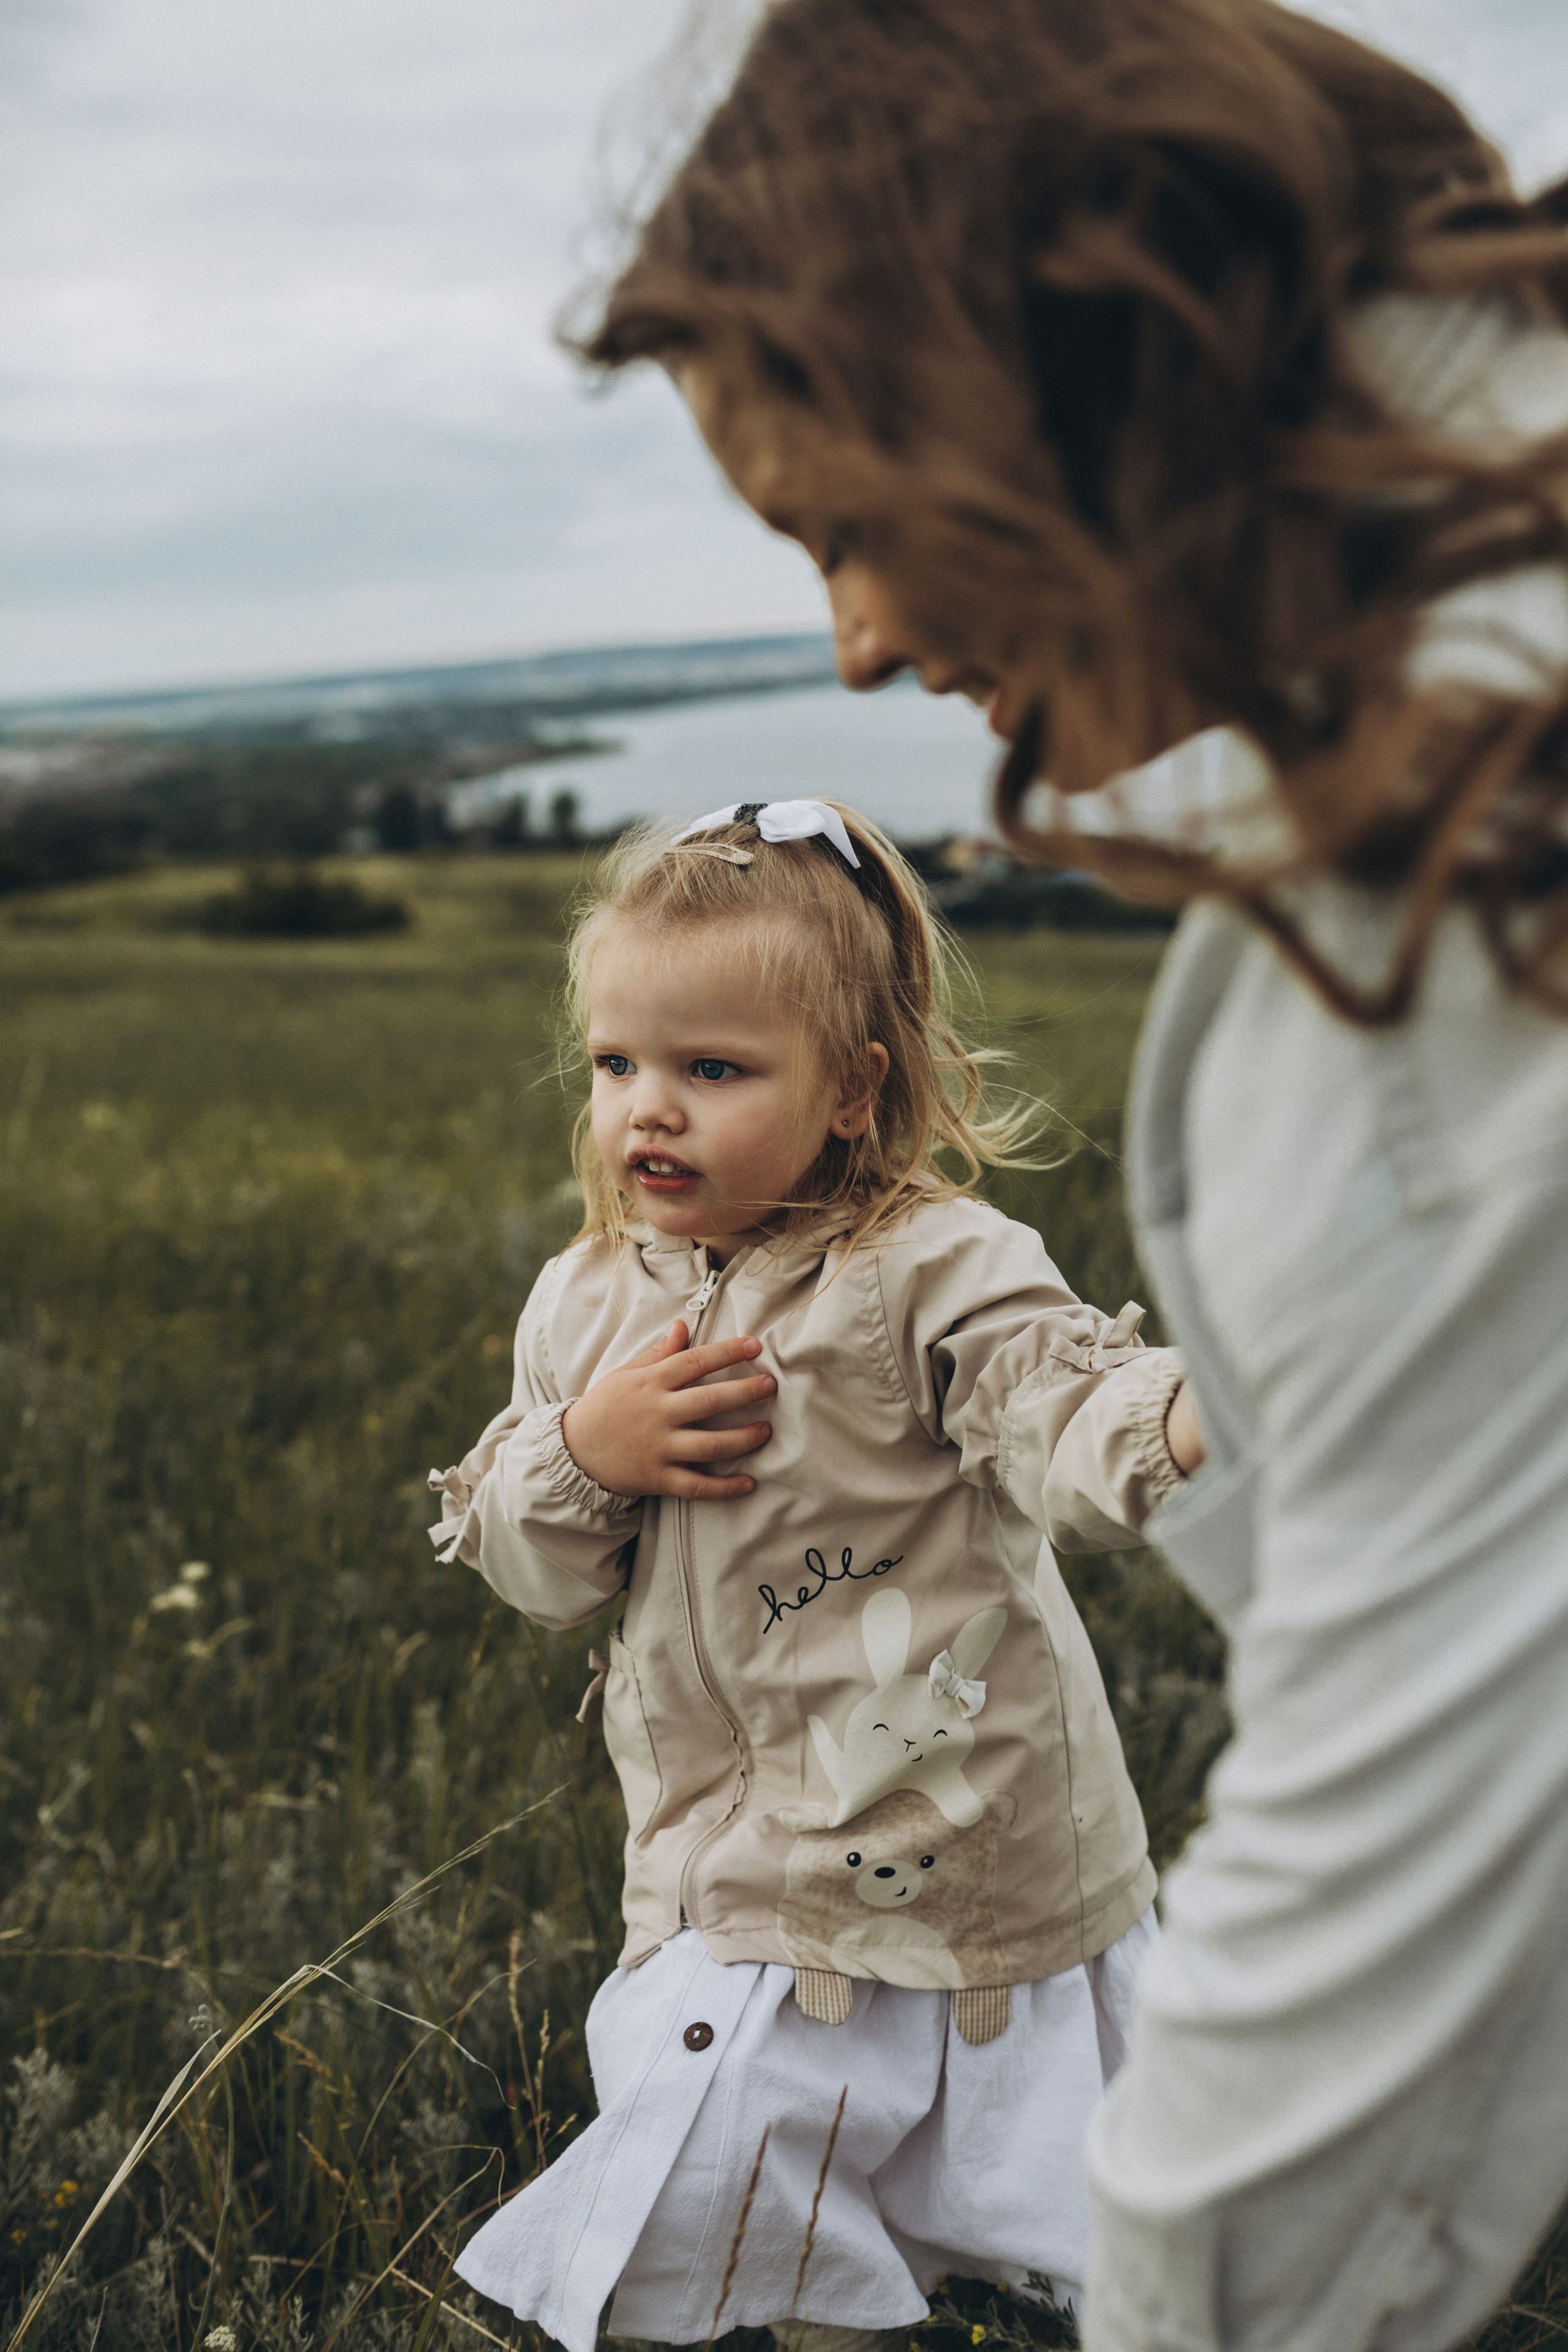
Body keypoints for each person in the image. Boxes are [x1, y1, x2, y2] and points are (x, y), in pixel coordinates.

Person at [569, 4, 1568, 2348]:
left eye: (849, 521)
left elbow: (1402, 1867)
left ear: (1065, 360)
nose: (864, 642)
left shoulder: (1448, 924)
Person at [428, 796, 1201, 2351]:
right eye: (615, 1065)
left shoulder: (929, 1268)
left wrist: (1199, 1411)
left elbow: (1065, 1422)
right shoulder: (586, 1304)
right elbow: (536, 1571)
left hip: (962, 1854)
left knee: (1048, 2215)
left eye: (712, 1071)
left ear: (854, 1088)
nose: (647, 1111)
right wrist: (585, 1451)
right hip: (734, 1879)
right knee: (762, 2206)